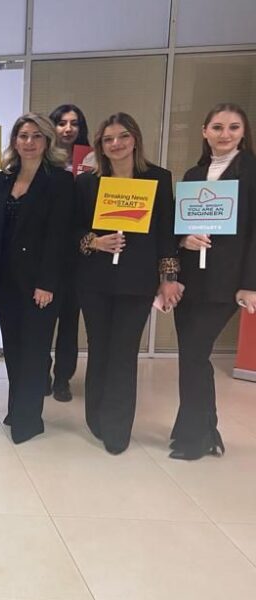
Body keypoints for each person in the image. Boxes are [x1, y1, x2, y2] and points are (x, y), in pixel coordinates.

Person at [75, 113, 179, 455]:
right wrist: (94, 241)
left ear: (135, 139)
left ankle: (117, 427)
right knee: (99, 348)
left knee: (123, 351)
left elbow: (166, 232)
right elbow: (72, 230)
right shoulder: (87, 183)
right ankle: (96, 416)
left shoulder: (158, 178)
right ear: (100, 146)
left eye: (122, 136)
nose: (116, 144)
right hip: (95, 280)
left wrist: (169, 278)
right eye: (108, 139)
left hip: (137, 281)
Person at [171, 103, 256, 460]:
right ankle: (203, 430)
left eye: (233, 127)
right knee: (191, 356)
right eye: (218, 127)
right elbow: (180, 223)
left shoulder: (251, 171)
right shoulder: (194, 174)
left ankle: (195, 437)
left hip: (226, 281)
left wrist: (250, 283)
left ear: (243, 132)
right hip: (190, 279)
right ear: (204, 131)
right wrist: (183, 239)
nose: (225, 134)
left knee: (194, 353)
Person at [0, 113, 74, 444]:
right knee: (13, 348)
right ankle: (16, 408)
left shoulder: (59, 181)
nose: (29, 142)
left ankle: (29, 420)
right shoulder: (3, 178)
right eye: (23, 135)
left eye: (36, 136)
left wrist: (47, 283)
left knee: (35, 351)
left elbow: (60, 235)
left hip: (40, 283)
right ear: (15, 141)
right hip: (6, 280)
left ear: (47, 141)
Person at [46, 104, 91, 402]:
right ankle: (41, 372)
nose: (68, 128)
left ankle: (63, 378)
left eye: (74, 123)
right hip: (48, 249)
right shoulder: (44, 159)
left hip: (80, 251)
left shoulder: (92, 160)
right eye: (62, 123)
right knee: (43, 319)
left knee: (70, 319)